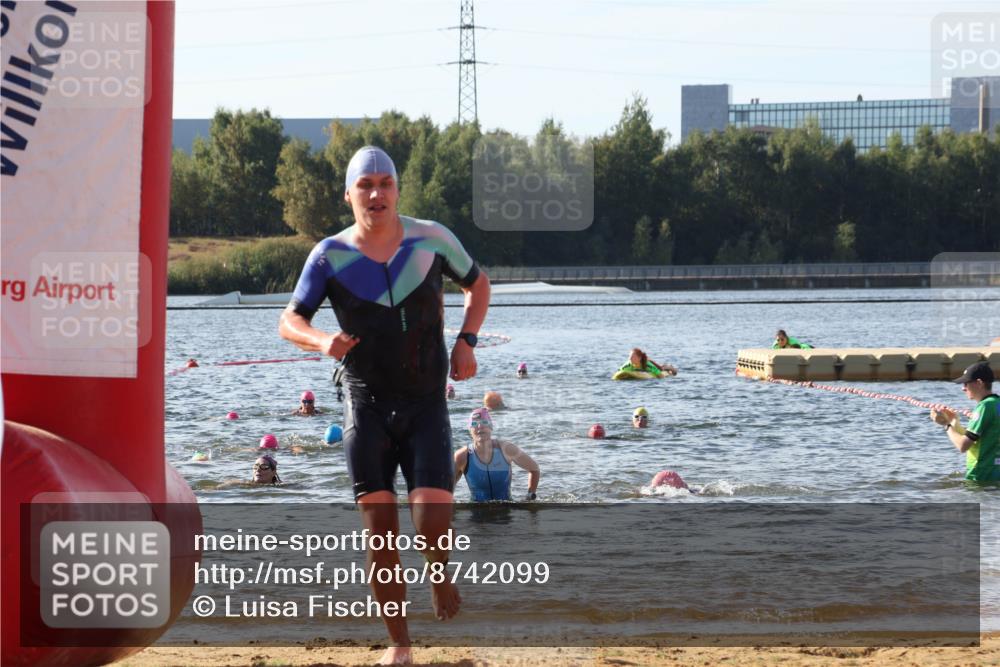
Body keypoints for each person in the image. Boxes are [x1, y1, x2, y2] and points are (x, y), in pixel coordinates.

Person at [278, 145, 491, 665]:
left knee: (429, 519)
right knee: (380, 531)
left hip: (424, 402)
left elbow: (478, 284)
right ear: (349, 194)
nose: (377, 193)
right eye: (365, 185)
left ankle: (438, 570)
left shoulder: (432, 238)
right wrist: (320, 340)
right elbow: (289, 320)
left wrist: (467, 340)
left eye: (385, 183)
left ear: (397, 190)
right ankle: (400, 643)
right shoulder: (329, 255)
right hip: (365, 403)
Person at [930, 361, 1000, 483]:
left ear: (979, 383)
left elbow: (963, 445)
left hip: (981, 478)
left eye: (966, 383)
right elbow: (976, 440)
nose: (963, 388)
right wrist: (953, 421)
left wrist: (946, 425)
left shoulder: (984, 407)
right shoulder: (996, 403)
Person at [453, 408, 540, 502]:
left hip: (507, 510)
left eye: (484, 422)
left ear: (491, 427)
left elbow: (534, 468)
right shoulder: (462, 456)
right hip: (477, 512)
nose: (480, 426)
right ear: (469, 430)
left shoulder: (506, 449)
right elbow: (446, 487)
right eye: (474, 424)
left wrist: (530, 496)